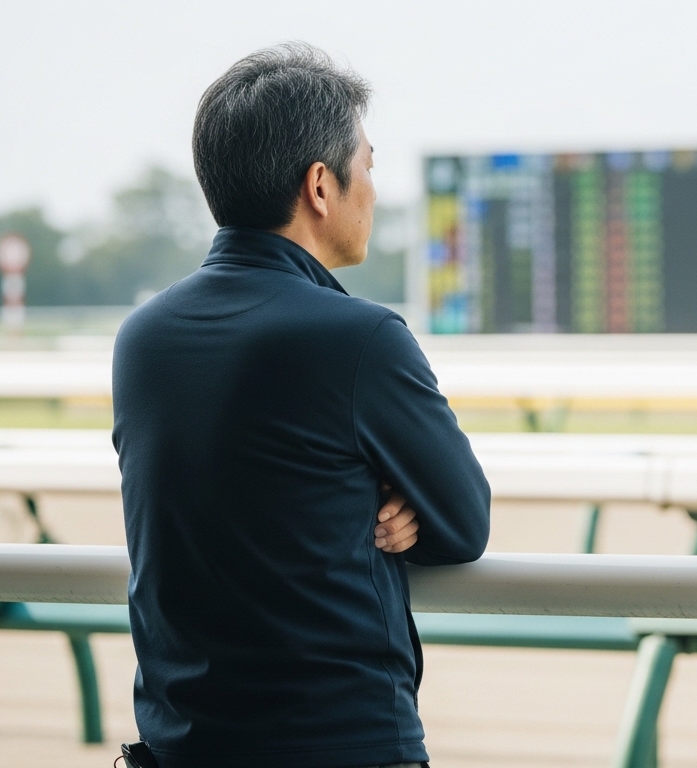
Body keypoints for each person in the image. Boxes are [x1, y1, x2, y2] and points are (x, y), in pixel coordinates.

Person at [112, 43, 490, 768]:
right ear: (321, 185)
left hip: (180, 746)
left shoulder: (142, 339)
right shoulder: (362, 338)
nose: (373, 191)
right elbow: (464, 522)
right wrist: (387, 499)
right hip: (342, 743)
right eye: (369, 167)